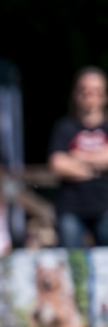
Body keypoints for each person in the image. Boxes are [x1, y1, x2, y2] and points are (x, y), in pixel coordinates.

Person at [48, 66, 108, 247]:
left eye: (95, 91)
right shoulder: (64, 127)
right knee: (72, 265)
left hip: (105, 206)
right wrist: (98, 164)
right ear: (75, 94)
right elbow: (57, 164)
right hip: (71, 208)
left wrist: (77, 157)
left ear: (104, 96)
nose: (89, 95)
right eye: (84, 90)